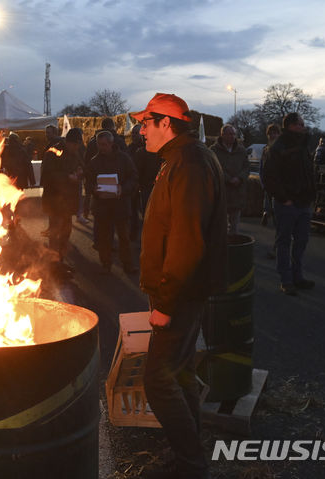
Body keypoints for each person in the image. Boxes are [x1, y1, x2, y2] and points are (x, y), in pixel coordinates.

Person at [132, 93, 227, 479]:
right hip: (182, 291)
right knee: (181, 372)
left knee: (159, 380)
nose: (140, 130)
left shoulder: (187, 163)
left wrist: (166, 302)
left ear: (166, 123)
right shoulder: (179, 159)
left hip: (181, 293)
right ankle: (191, 457)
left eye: (145, 123)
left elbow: (187, 241)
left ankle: (191, 464)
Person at [263, 112, 316, 296]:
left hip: (302, 202)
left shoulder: (301, 146)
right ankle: (286, 279)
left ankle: (297, 276)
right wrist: (284, 198)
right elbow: (270, 177)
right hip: (288, 203)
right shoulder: (278, 147)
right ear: (291, 126)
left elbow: (309, 172)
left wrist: (311, 196)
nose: (304, 126)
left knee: (301, 241)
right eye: (301, 124)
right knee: (284, 241)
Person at [87, 130, 138, 274]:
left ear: (111, 144)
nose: (101, 148)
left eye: (104, 145)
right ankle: (105, 264)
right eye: (99, 144)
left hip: (121, 205)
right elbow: (88, 182)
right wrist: (94, 190)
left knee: (124, 237)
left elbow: (134, 177)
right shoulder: (94, 162)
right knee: (104, 238)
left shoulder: (124, 159)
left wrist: (123, 188)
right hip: (102, 206)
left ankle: (127, 264)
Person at [42, 128, 84, 272]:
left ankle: (60, 261)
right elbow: (48, 175)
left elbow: (80, 165)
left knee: (66, 232)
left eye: (78, 145)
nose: (77, 148)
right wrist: (67, 177)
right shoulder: (53, 152)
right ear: (69, 142)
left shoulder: (74, 153)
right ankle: (53, 264)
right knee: (55, 233)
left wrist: (80, 172)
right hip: (54, 201)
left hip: (67, 201)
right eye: (75, 145)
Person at [211, 124, 249, 234]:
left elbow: (246, 167)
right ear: (222, 135)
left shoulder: (241, 151)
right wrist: (228, 179)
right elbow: (213, 167)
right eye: (229, 134)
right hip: (221, 192)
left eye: (233, 134)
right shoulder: (214, 150)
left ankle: (233, 247)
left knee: (235, 224)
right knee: (219, 224)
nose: (232, 136)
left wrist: (240, 178)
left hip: (237, 193)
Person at [260, 124, 281, 228]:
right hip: (269, 179)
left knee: (271, 199)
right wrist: (262, 180)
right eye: (270, 133)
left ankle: (268, 214)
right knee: (268, 198)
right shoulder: (266, 149)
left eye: (274, 133)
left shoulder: (280, 149)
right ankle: (268, 214)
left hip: (276, 180)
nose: (272, 135)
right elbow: (261, 166)